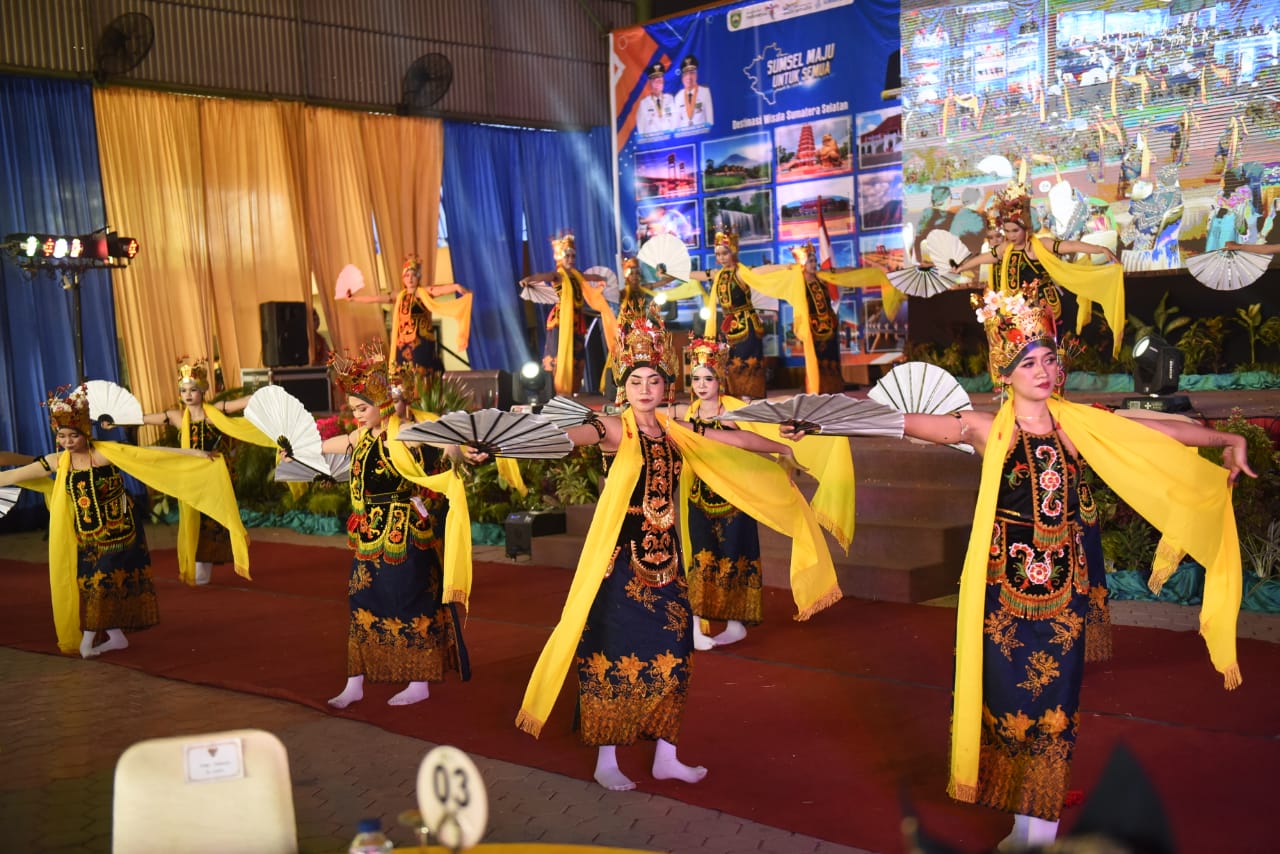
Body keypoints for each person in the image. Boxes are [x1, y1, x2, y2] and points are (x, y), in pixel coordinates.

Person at [875, 287, 1250, 848]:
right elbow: (907, 424)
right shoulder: (983, 428)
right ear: (1005, 372)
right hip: (1003, 590)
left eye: (1049, 358)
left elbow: (1153, 428)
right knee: (1005, 700)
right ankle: (1023, 822)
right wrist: (829, 423)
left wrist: (1225, 436)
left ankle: (1040, 829)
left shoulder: (1077, 424)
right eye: (1028, 362)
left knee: (1055, 703)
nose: (1044, 371)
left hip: (1064, 590)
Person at [516, 308, 840, 792]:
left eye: (654, 380)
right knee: (612, 653)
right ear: (623, 387)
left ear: (667, 387)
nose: (645, 389)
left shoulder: (675, 430)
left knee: (675, 654)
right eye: (636, 381)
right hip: (621, 566)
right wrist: (524, 439)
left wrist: (783, 449)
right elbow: (573, 436)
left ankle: (666, 755)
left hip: (668, 566)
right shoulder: (614, 428)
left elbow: (737, 438)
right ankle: (608, 757)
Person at [0, 384, 248, 658]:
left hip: (122, 533)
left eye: (73, 435)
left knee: (102, 582)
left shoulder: (104, 454)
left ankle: (88, 641)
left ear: (86, 433)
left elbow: (154, 455)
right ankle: (116, 637)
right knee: (92, 585)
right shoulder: (58, 461)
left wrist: (197, 454)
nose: (68, 442)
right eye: (62, 436)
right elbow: (13, 476)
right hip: (87, 536)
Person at [320, 347, 486, 709]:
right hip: (369, 532)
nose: (357, 415)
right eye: (353, 409)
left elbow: (440, 441)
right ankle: (355, 682)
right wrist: (303, 451)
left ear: (380, 403)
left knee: (409, 601)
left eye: (362, 408)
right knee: (360, 598)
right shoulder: (363, 438)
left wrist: (461, 452)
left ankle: (419, 680)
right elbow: (336, 444)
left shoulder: (403, 432)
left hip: (405, 531)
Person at [954, 181, 1125, 360]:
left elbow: (1071, 245)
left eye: (1015, 231)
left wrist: (1101, 249)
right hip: (1016, 308)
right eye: (1007, 231)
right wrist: (962, 267)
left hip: (1042, 306)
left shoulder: (1040, 245)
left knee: (1045, 349)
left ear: (1026, 229)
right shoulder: (1007, 247)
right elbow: (988, 257)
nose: (1011, 235)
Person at [138, 358, 272, 586]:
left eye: (193, 390)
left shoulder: (215, 413)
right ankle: (199, 566)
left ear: (202, 391)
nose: (188, 395)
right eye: (183, 390)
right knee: (194, 519)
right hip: (191, 476)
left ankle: (210, 564)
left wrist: (266, 395)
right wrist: (117, 422)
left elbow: (242, 403)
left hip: (216, 475)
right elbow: (142, 420)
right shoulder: (177, 417)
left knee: (215, 519)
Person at [752, 243, 887, 394]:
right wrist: (788, 266)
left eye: (814, 260)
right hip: (812, 331)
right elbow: (766, 274)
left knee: (831, 363)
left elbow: (845, 272)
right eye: (810, 260)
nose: (813, 263)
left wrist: (869, 271)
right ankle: (818, 392)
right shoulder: (797, 282)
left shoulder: (822, 277)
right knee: (816, 364)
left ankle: (833, 392)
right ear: (802, 263)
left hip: (829, 328)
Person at [341, 253, 472, 377]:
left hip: (421, 341)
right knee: (403, 375)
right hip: (403, 343)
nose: (410, 278)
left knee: (422, 374)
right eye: (407, 275)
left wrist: (455, 287)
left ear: (418, 277)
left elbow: (437, 290)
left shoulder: (422, 293)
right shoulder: (399, 296)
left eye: (413, 275)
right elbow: (376, 298)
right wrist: (354, 298)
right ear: (403, 278)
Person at [522, 233, 619, 396]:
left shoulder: (577, 274)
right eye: (567, 255)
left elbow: (591, 277)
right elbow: (543, 276)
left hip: (577, 322)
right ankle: (554, 389)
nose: (571, 258)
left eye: (573, 255)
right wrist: (529, 279)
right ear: (560, 256)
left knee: (576, 357)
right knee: (558, 355)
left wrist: (602, 279)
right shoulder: (558, 275)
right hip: (561, 321)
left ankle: (572, 389)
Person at [688, 227, 773, 399]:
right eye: (718, 254)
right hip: (729, 326)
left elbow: (763, 271)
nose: (721, 258)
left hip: (747, 324)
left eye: (725, 253)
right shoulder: (718, 274)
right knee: (731, 362)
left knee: (747, 361)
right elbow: (700, 275)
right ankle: (736, 396)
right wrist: (674, 273)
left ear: (733, 251)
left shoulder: (742, 272)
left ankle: (750, 396)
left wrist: (789, 267)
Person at [673, 55, 713, 130]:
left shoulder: (705, 92)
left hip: (701, 135)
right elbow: (676, 125)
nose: (689, 77)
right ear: (682, 78)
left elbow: (710, 121)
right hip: (684, 137)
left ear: (696, 75)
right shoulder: (678, 97)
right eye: (686, 74)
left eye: (692, 73)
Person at [636, 62, 674, 135]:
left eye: (659, 81)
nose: (657, 85)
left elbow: (675, 122)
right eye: (654, 81)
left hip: (669, 142)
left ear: (663, 83)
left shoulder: (670, 99)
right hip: (653, 143)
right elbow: (641, 128)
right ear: (650, 83)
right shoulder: (644, 103)